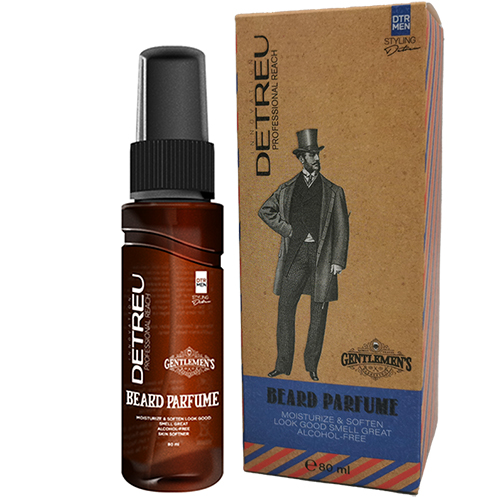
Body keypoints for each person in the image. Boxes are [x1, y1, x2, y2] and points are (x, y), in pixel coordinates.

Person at [258, 129, 349, 381]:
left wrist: (338, 260)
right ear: (301, 159)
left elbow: (342, 227)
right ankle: (282, 365)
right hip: (295, 256)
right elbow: (265, 210)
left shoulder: (333, 191)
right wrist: (287, 230)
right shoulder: (287, 188)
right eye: (311, 155)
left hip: (322, 258)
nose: (316, 159)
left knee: (318, 313)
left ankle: (312, 366)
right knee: (285, 309)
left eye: (317, 154)